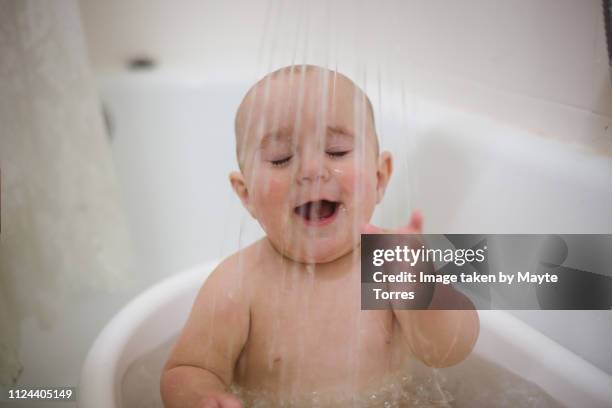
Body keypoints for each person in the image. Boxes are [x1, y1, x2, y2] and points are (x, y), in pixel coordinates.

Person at [160, 65, 479, 408]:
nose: (311, 170)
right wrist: (202, 398)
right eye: (281, 159)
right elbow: (189, 368)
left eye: (337, 151)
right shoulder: (237, 285)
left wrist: (422, 290)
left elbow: (449, 351)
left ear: (380, 177)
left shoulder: (392, 260)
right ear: (246, 194)